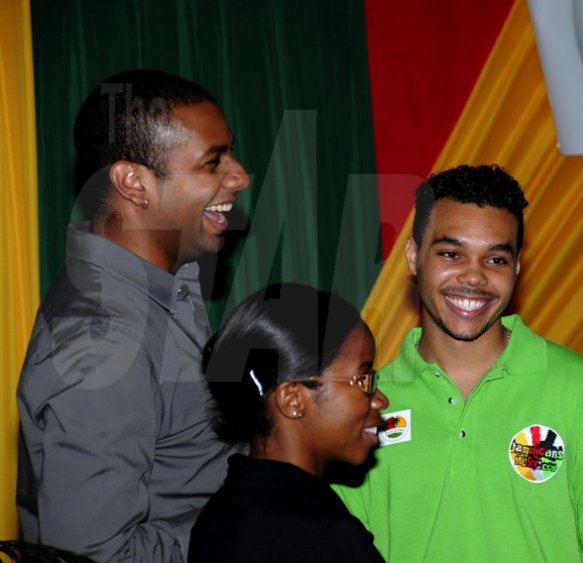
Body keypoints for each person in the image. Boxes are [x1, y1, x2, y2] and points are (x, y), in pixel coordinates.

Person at [16, 69, 250, 562]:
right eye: (213, 162)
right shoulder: (102, 340)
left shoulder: (158, 286)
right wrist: (255, 529)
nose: (240, 177)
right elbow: (95, 557)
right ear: (133, 182)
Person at [334, 164, 583, 562]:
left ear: (517, 268)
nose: (474, 277)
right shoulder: (363, 405)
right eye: (452, 254)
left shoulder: (582, 389)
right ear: (413, 255)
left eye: (496, 260)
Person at [186, 282, 388, 562]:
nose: (380, 400)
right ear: (292, 399)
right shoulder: (324, 537)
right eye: (364, 380)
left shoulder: (216, 519)